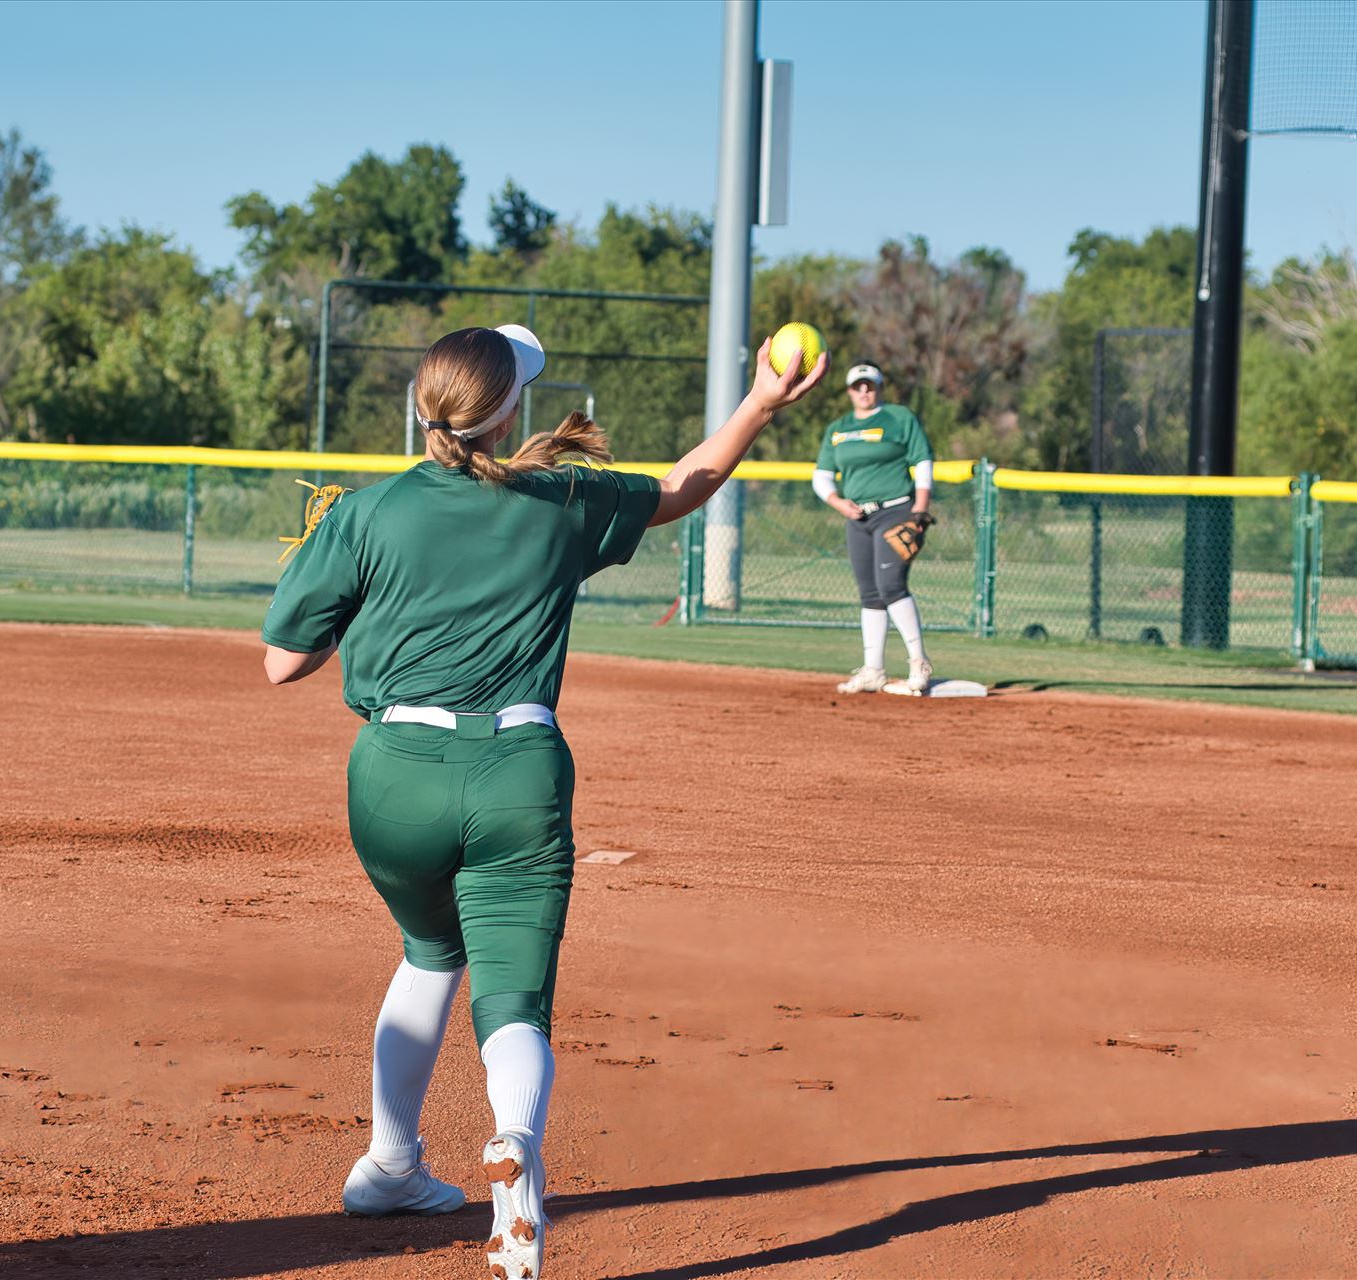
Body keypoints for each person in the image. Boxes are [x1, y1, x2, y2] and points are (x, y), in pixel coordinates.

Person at [262, 324, 826, 1278]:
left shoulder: (367, 515)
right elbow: (688, 484)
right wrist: (760, 404)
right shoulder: (563, 500)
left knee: (429, 951)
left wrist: (364, 599)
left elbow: (283, 663)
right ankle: (513, 1145)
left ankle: (391, 1163)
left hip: (393, 773)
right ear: (509, 412)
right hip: (519, 772)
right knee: (513, 997)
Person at [811, 361, 937, 695]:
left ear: (880, 388)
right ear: (849, 391)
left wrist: (921, 508)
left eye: (870, 385)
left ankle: (918, 663)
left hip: (896, 510)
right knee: (869, 593)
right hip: (858, 518)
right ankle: (873, 670)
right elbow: (822, 475)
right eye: (858, 386)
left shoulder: (898, 418)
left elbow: (922, 460)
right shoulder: (838, 428)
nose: (864, 391)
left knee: (891, 586)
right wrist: (838, 503)